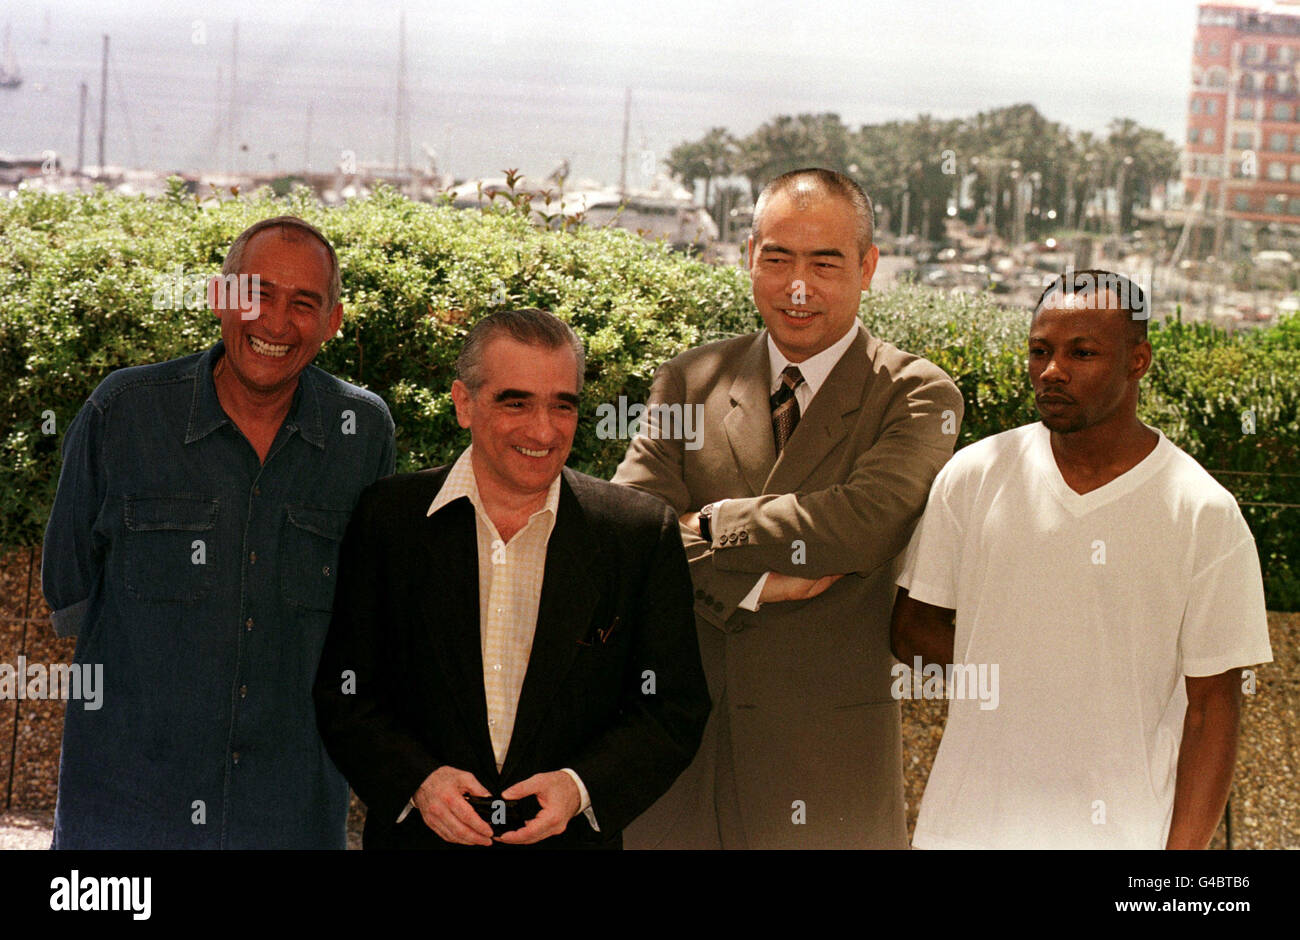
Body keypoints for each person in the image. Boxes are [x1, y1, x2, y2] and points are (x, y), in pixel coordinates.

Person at [612, 168, 964, 848]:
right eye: (777, 259)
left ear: (867, 268)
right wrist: (753, 586)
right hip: (676, 762)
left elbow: (860, 526)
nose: (797, 286)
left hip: (827, 773)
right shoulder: (689, 380)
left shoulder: (917, 395)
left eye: (825, 263)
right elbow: (631, 537)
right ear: (750, 257)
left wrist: (710, 523)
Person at [42, 216, 396, 849]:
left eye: (303, 304)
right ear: (219, 296)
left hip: (291, 815)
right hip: (127, 813)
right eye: (257, 294)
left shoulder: (363, 434)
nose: (275, 323)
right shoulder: (122, 413)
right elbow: (70, 583)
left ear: (333, 322)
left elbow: (365, 616)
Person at [891, 270, 1274, 849]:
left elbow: (1213, 709)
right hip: (969, 825)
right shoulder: (975, 475)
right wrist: (1020, 670)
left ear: (1137, 360)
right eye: (1039, 350)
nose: (1052, 371)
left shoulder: (1203, 513)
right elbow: (913, 631)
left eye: (1082, 352)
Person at [313, 308, 710, 849]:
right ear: (463, 403)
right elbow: (345, 693)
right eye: (515, 402)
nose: (542, 430)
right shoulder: (389, 520)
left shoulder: (636, 534)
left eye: (562, 406)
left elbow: (673, 707)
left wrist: (578, 788)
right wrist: (419, 783)